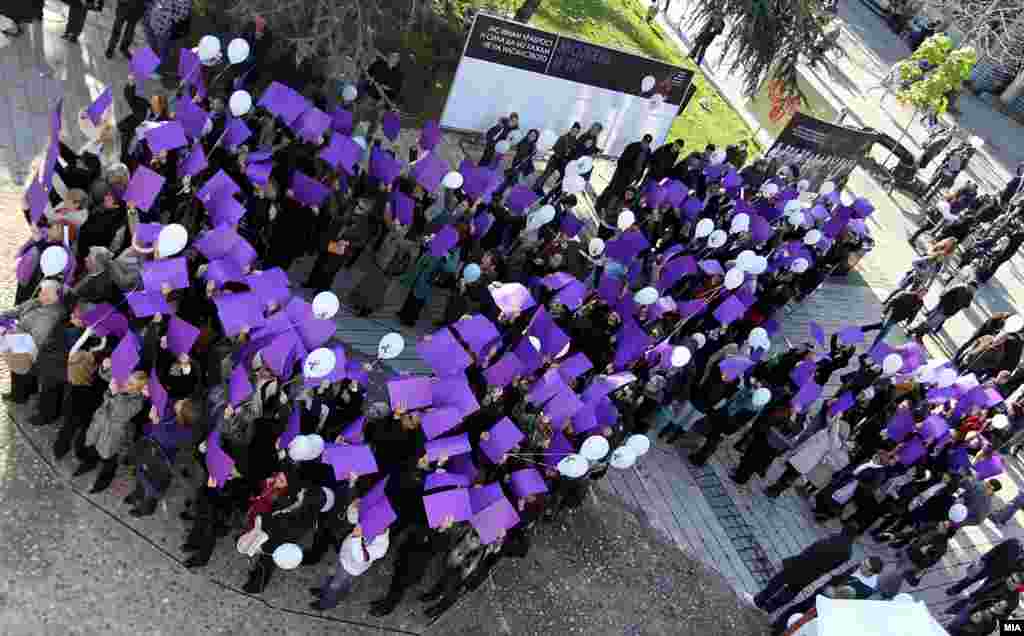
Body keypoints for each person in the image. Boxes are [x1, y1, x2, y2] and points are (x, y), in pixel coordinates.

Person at [744, 528, 857, 613]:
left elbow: (806, 555)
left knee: (777, 581)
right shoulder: (848, 553)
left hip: (799, 566)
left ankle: (758, 601)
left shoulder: (829, 541)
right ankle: (770, 608)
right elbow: (832, 567)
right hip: (814, 573)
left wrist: (786, 562)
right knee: (792, 591)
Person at [771, 557, 885, 633]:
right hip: (823, 592)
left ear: (872, 573)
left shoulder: (866, 589)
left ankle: (782, 630)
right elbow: (843, 576)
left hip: (826, 604)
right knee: (798, 607)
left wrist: (832, 593)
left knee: (803, 619)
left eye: (865, 567)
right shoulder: (860, 568)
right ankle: (777, 626)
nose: (861, 566)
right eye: (863, 562)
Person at [596, 134, 652, 212]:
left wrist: (638, 178)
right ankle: (600, 204)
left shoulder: (648, 151)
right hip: (622, 173)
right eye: (644, 141)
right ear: (642, 140)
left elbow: (643, 166)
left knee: (621, 193)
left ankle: (610, 208)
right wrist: (621, 173)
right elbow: (622, 160)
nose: (645, 144)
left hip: (632, 177)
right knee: (613, 189)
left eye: (647, 143)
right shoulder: (633, 146)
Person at [534, 122, 581, 195]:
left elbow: (574, 154)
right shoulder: (563, 137)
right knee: (546, 174)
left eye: (576, 131)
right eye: (573, 130)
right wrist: (562, 153)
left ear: (577, 133)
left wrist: (569, 157)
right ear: (571, 129)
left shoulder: (576, 142)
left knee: (559, 178)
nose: (574, 132)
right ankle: (536, 187)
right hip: (555, 159)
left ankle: (552, 192)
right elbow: (555, 148)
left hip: (563, 162)